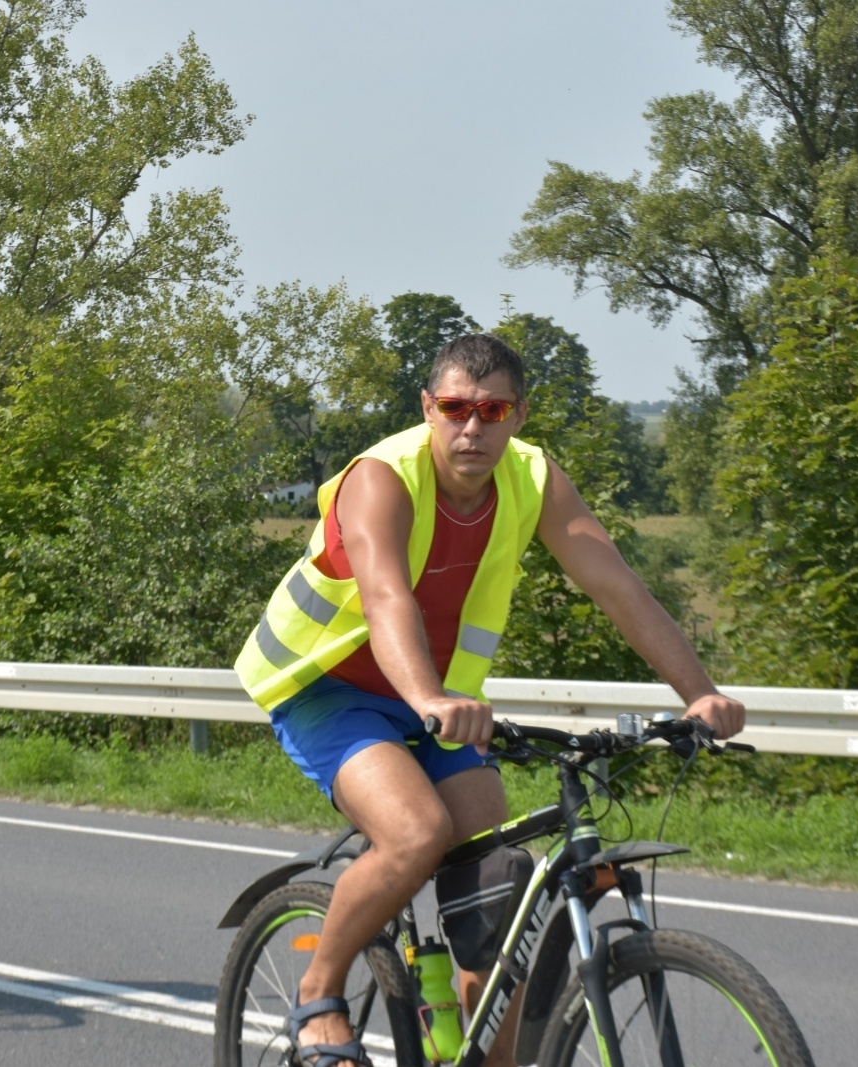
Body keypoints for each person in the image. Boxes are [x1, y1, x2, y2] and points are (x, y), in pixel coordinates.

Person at [234, 334, 745, 1067]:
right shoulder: (383, 476)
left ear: (518, 416)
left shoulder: (535, 479)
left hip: (437, 698)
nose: (472, 428)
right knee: (415, 832)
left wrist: (700, 693)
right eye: (455, 409)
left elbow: (617, 586)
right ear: (428, 409)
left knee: (496, 894)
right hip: (330, 687)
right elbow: (385, 596)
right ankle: (319, 994)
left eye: (492, 410)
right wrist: (427, 696)